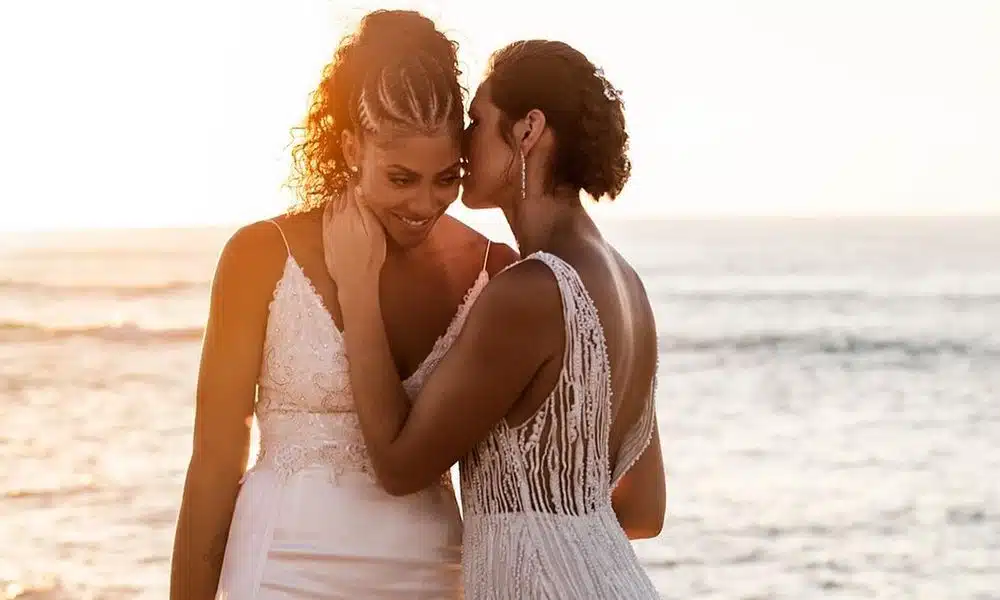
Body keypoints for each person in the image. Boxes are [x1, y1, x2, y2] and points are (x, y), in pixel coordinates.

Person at [169, 10, 517, 599]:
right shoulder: (262, 256)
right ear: (353, 147)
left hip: (429, 576)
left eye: (446, 178)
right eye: (401, 178)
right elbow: (214, 463)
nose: (425, 203)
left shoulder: (493, 271)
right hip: (279, 570)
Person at [323, 39, 666, 598]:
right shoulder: (627, 285)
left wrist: (357, 286)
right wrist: (554, 519)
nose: (462, 141)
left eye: (477, 121)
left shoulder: (530, 292)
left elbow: (400, 466)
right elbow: (645, 510)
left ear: (528, 131)